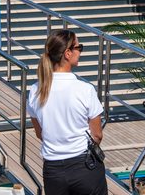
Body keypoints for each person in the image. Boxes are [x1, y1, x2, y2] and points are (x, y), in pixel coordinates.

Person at [27, 29, 108, 195]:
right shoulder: (84, 89)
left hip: (53, 170)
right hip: (84, 167)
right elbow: (97, 135)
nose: (81, 52)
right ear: (68, 53)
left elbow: (40, 133)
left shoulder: (36, 90)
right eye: (79, 48)